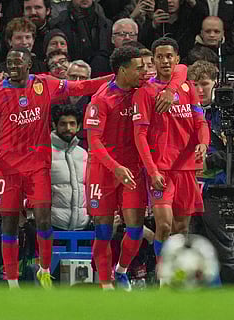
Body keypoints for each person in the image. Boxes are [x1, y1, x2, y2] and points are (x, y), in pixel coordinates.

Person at [0, 47, 119, 289]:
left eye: (18, 62)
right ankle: (12, 282)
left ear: (30, 65)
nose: (12, 66)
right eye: (9, 62)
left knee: (43, 220)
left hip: (38, 165)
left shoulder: (44, 84)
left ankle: (43, 269)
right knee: (9, 224)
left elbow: (80, 88)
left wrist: (113, 79)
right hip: (7, 168)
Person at [85, 45, 187, 290]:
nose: (145, 71)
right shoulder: (101, 99)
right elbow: (93, 142)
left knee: (134, 229)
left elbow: (181, 69)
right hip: (103, 171)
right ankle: (104, 283)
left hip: (133, 170)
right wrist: (115, 167)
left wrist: (172, 90)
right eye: (139, 68)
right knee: (103, 232)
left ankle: (121, 270)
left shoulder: (143, 90)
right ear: (123, 71)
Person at [132, 37, 210, 280]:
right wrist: (151, 169)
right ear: (153, 61)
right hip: (160, 169)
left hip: (186, 168)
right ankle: (161, 275)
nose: (165, 61)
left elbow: (200, 121)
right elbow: (140, 134)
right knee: (164, 225)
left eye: (169, 56)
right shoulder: (145, 93)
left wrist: (203, 143)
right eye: (160, 57)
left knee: (181, 228)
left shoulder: (188, 89)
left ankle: (178, 273)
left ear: (177, 60)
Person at [187, 59, 234, 284]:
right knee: (189, 248)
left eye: (204, 84)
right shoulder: (184, 110)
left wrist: (209, 162)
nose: (199, 90)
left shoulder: (229, 111)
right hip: (189, 189)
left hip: (218, 190)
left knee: (224, 249)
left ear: (215, 83)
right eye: (194, 85)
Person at [0, 199, 37, 282]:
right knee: (4, 281)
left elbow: (36, 246)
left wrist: (24, 224)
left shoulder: (21, 216)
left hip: (20, 273)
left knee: (35, 269)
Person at [50, 104, 90, 231]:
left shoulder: (84, 154)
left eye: (72, 124)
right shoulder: (44, 153)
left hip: (83, 227)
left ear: (78, 126)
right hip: (52, 227)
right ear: (54, 126)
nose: (68, 128)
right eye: (63, 124)